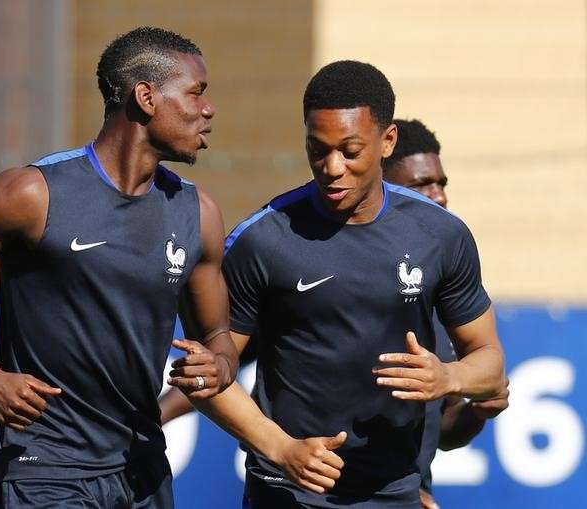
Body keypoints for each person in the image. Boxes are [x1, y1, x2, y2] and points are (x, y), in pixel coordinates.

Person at [0, 27, 243, 509]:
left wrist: (219, 364)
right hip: (46, 466)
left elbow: (220, 333)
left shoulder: (197, 212)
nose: (208, 109)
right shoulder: (32, 194)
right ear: (146, 97)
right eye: (196, 93)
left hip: (141, 466)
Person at [182, 61, 506, 508]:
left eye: (350, 151)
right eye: (318, 149)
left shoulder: (440, 235)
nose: (332, 167)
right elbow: (208, 376)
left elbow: (489, 362)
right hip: (287, 489)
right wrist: (280, 448)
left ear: (386, 141)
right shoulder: (263, 239)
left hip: (393, 491)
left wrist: (449, 376)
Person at [382, 118, 509, 509]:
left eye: (441, 183)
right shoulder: (341, 282)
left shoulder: (439, 288)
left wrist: (477, 413)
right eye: (421, 185)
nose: (438, 196)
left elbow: (442, 429)